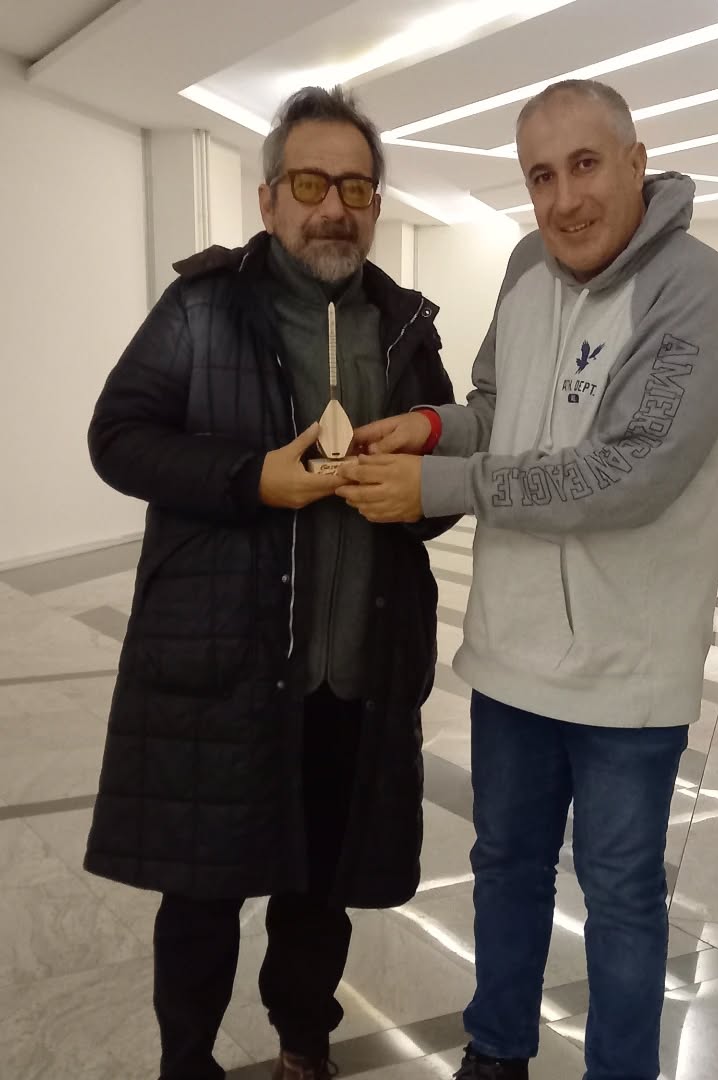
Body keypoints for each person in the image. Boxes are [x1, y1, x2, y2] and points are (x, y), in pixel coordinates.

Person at [341, 79, 718, 1080]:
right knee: (505, 866)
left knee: (620, 895)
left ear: (637, 162)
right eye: (540, 176)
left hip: (628, 671)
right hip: (513, 654)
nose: (564, 199)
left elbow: (626, 471)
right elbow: (496, 405)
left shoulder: (693, 288)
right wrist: (431, 427)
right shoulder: (527, 265)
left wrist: (441, 483)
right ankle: (497, 1052)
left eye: (586, 164)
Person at [84, 85, 456, 1080]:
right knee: (202, 893)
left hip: (354, 674)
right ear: (268, 199)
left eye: (356, 188)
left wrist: (413, 495)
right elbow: (118, 438)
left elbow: (446, 479)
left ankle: (304, 1044)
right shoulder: (202, 307)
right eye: (311, 183)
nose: (334, 207)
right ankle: (187, 1060)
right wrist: (253, 477)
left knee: (320, 891)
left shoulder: (404, 328)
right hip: (224, 668)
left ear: (376, 203)